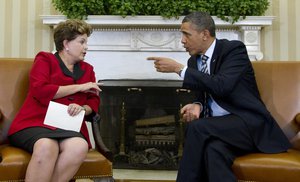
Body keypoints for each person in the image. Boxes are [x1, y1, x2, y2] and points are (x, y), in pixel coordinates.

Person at [147, 11, 291, 182]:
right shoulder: (194, 61)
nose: (182, 41)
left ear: (205, 34)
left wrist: (180, 69)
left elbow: (222, 85)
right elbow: (203, 92)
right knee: (213, 150)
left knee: (197, 127)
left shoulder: (233, 50)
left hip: (248, 124)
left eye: (186, 34)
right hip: (221, 129)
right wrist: (198, 104)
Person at [8, 19, 101, 182]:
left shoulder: (88, 69)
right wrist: (80, 87)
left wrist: (82, 108)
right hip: (35, 123)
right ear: (66, 43)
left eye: (86, 42)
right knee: (46, 145)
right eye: (82, 42)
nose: (87, 47)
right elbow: (41, 90)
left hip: (68, 125)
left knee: (79, 146)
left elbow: (93, 101)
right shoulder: (45, 60)